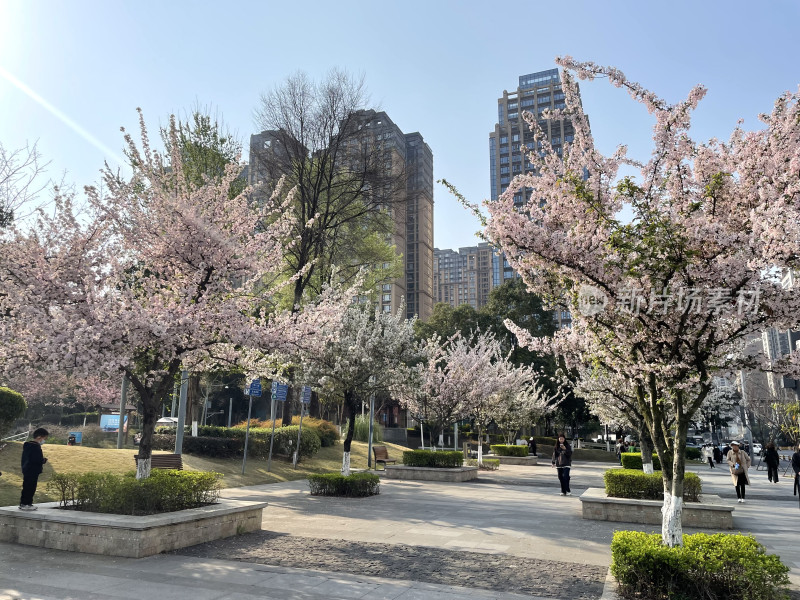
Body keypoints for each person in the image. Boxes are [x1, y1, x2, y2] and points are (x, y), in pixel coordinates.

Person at [19, 427, 49, 511]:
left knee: (26, 486)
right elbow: (36, 459)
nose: (44, 440)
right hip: (33, 470)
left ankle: (23, 503)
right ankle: (27, 503)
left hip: (27, 469)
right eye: (44, 438)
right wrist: (43, 460)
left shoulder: (28, 445)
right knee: (31, 487)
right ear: (39, 437)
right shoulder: (35, 447)